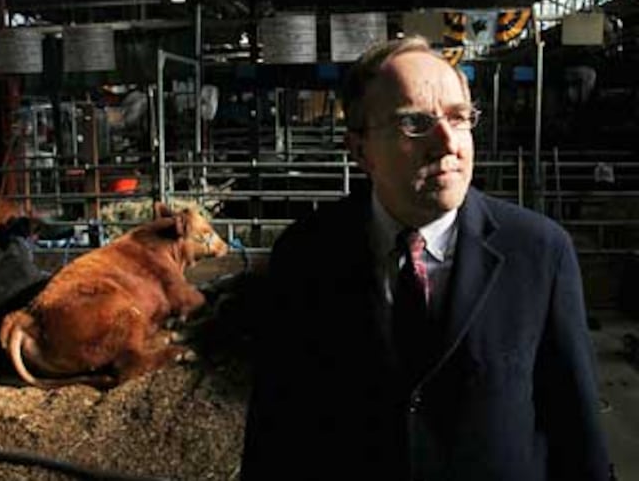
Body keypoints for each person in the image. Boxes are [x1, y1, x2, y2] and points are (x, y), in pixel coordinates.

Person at [240, 36, 610, 481]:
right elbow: (275, 425)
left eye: (459, 118)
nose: (447, 142)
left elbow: (577, 429)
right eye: (414, 123)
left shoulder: (539, 252)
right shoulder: (304, 257)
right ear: (359, 150)